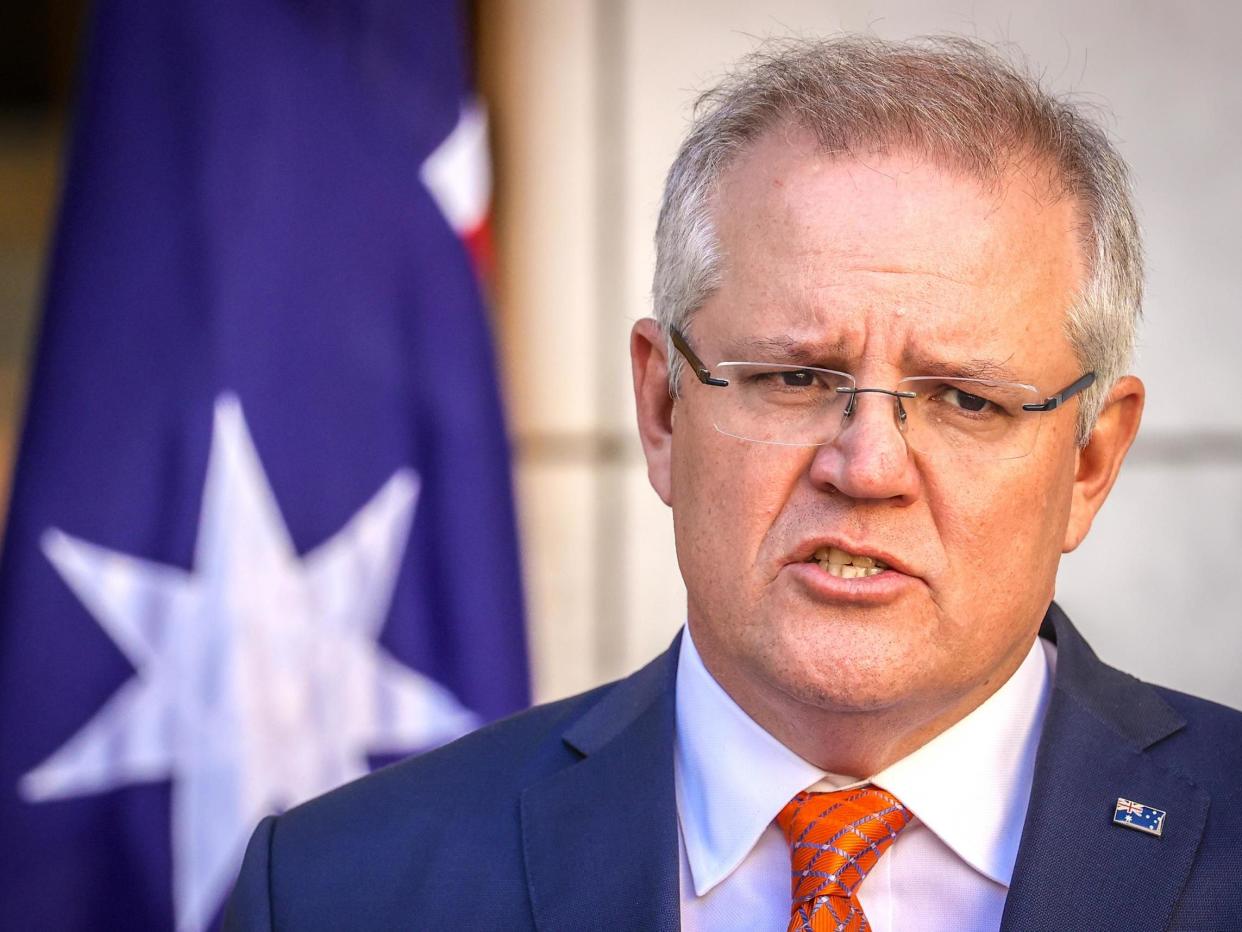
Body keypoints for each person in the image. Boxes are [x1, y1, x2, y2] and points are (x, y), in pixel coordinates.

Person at [224, 36, 1242, 931]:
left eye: (964, 399)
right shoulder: (337, 889)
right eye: (796, 376)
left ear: (1090, 460)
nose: (869, 466)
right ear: (664, 406)